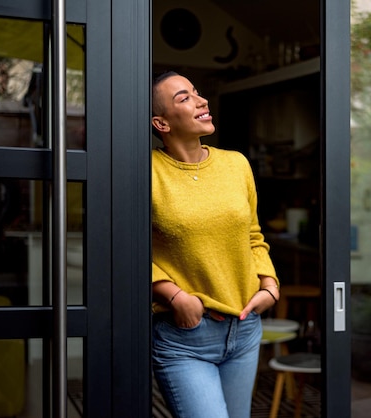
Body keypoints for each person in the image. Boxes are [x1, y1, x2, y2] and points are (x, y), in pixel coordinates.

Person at [150, 71, 280, 418]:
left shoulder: (236, 164)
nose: (201, 100)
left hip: (245, 328)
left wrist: (269, 285)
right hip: (185, 337)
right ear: (161, 123)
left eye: (197, 92)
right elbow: (126, 250)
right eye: (184, 98)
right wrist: (174, 296)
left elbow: (253, 235)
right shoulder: (146, 172)